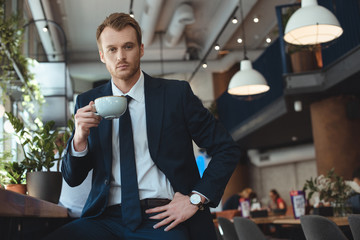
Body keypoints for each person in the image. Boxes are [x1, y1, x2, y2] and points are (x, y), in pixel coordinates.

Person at [43, 12, 241, 240]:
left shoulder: (176, 95)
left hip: (162, 217)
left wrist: (196, 198)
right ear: (102, 55)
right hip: (105, 219)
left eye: (128, 46)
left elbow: (226, 149)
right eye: (112, 49)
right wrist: (79, 138)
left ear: (141, 49)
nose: (121, 56)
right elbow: (73, 177)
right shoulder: (87, 102)